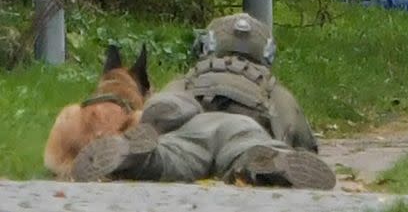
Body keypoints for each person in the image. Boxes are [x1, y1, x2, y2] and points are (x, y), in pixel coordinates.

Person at [71, 13, 336, 190]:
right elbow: (297, 133)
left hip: (193, 123)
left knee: (171, 157)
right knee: (249, 150)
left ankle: (137, 156)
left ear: (207, 47)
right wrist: (294, 148)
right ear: (266, 53)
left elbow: (168, 105)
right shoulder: (272, 88)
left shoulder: (191, 78)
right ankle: (268, 161)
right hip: (243, 127)